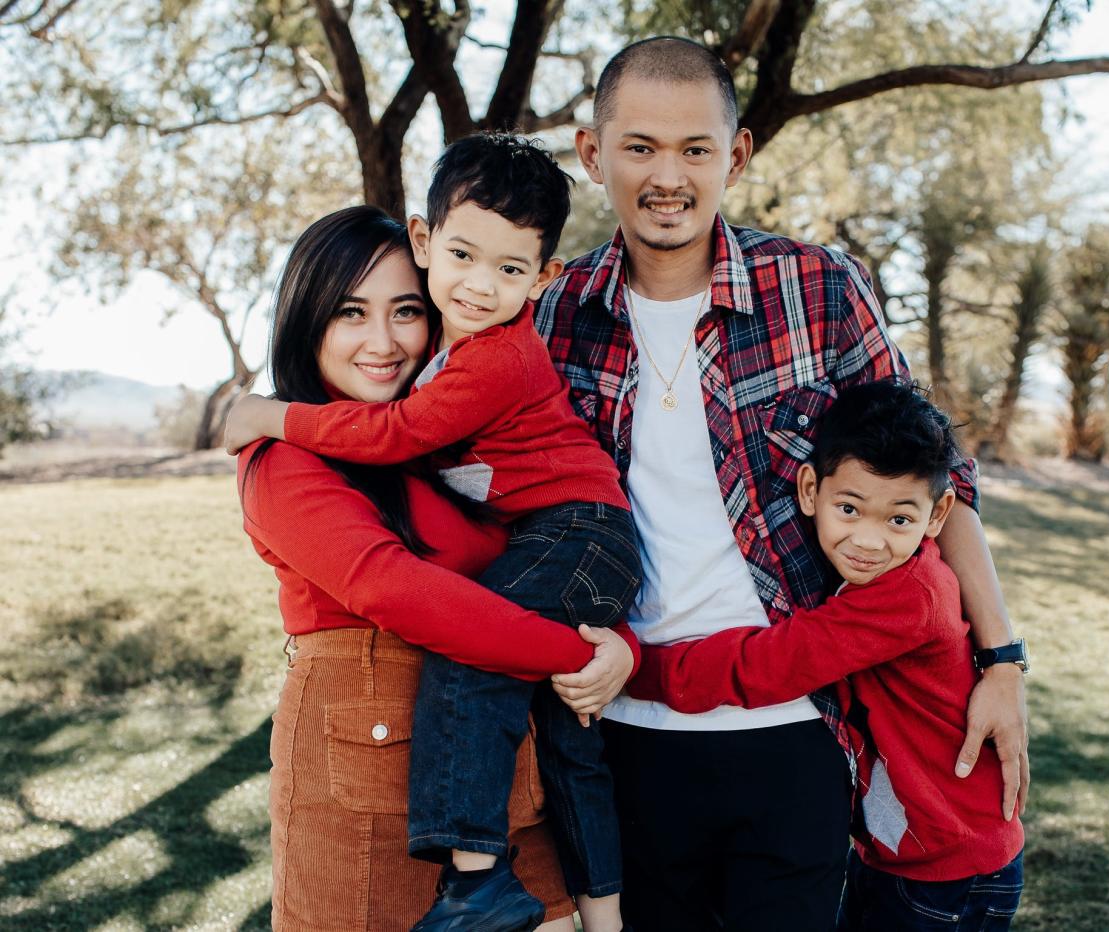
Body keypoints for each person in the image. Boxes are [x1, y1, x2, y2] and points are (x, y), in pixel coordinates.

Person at [537, 36, 1030, 929]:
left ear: (736, 155)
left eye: (695, 150)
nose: (667, 176)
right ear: (591, 153)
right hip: (622, 730)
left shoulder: (819, 289)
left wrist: (1001, 661)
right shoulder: (554, 313)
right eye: (639, 147)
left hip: (799, 732)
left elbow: (941, 481)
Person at [227, 136, 636, 932]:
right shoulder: (286, 460)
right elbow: (398, 591)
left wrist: (619, 650)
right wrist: (576, 655)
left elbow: (535, 578)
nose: (382, 342)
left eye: (404, 312)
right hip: (367, 799)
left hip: (501, 794)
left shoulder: (443, 442)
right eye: (351, 312)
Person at [625, 379, 1026, 930]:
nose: (869, 540)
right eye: (850, 509)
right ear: (810, 489)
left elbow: (767, 665)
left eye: (899, 520)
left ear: (938, 515)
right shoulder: (889, 577)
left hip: (947, 872)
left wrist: (634, 668)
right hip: (904, 853)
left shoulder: (909, 595)